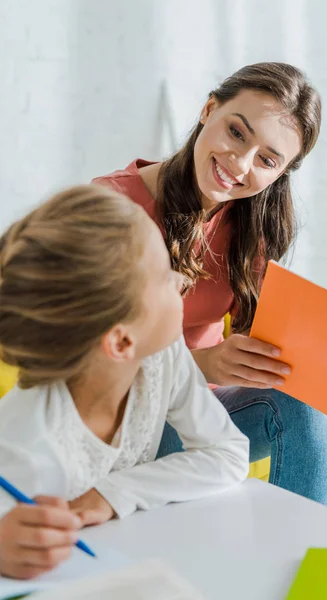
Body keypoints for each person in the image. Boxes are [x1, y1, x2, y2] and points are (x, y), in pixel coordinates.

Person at [93, 62, 327, 508]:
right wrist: (203, 365)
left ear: (280, 173)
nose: (240, 164)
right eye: (237, 132)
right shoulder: (112, 207)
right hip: (121, 418)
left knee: (312, 409)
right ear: (209, 109)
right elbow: (92, 359)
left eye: (267, 160)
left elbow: (262, 341)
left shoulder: (248, 222)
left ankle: (305, 565)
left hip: (200, 418)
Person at [0, 185, 249, 580]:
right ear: (121, 341)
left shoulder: (162, 357)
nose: (182, 280)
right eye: (166, 277)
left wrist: (112, 494)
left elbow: (228, 454)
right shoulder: (24, 442)